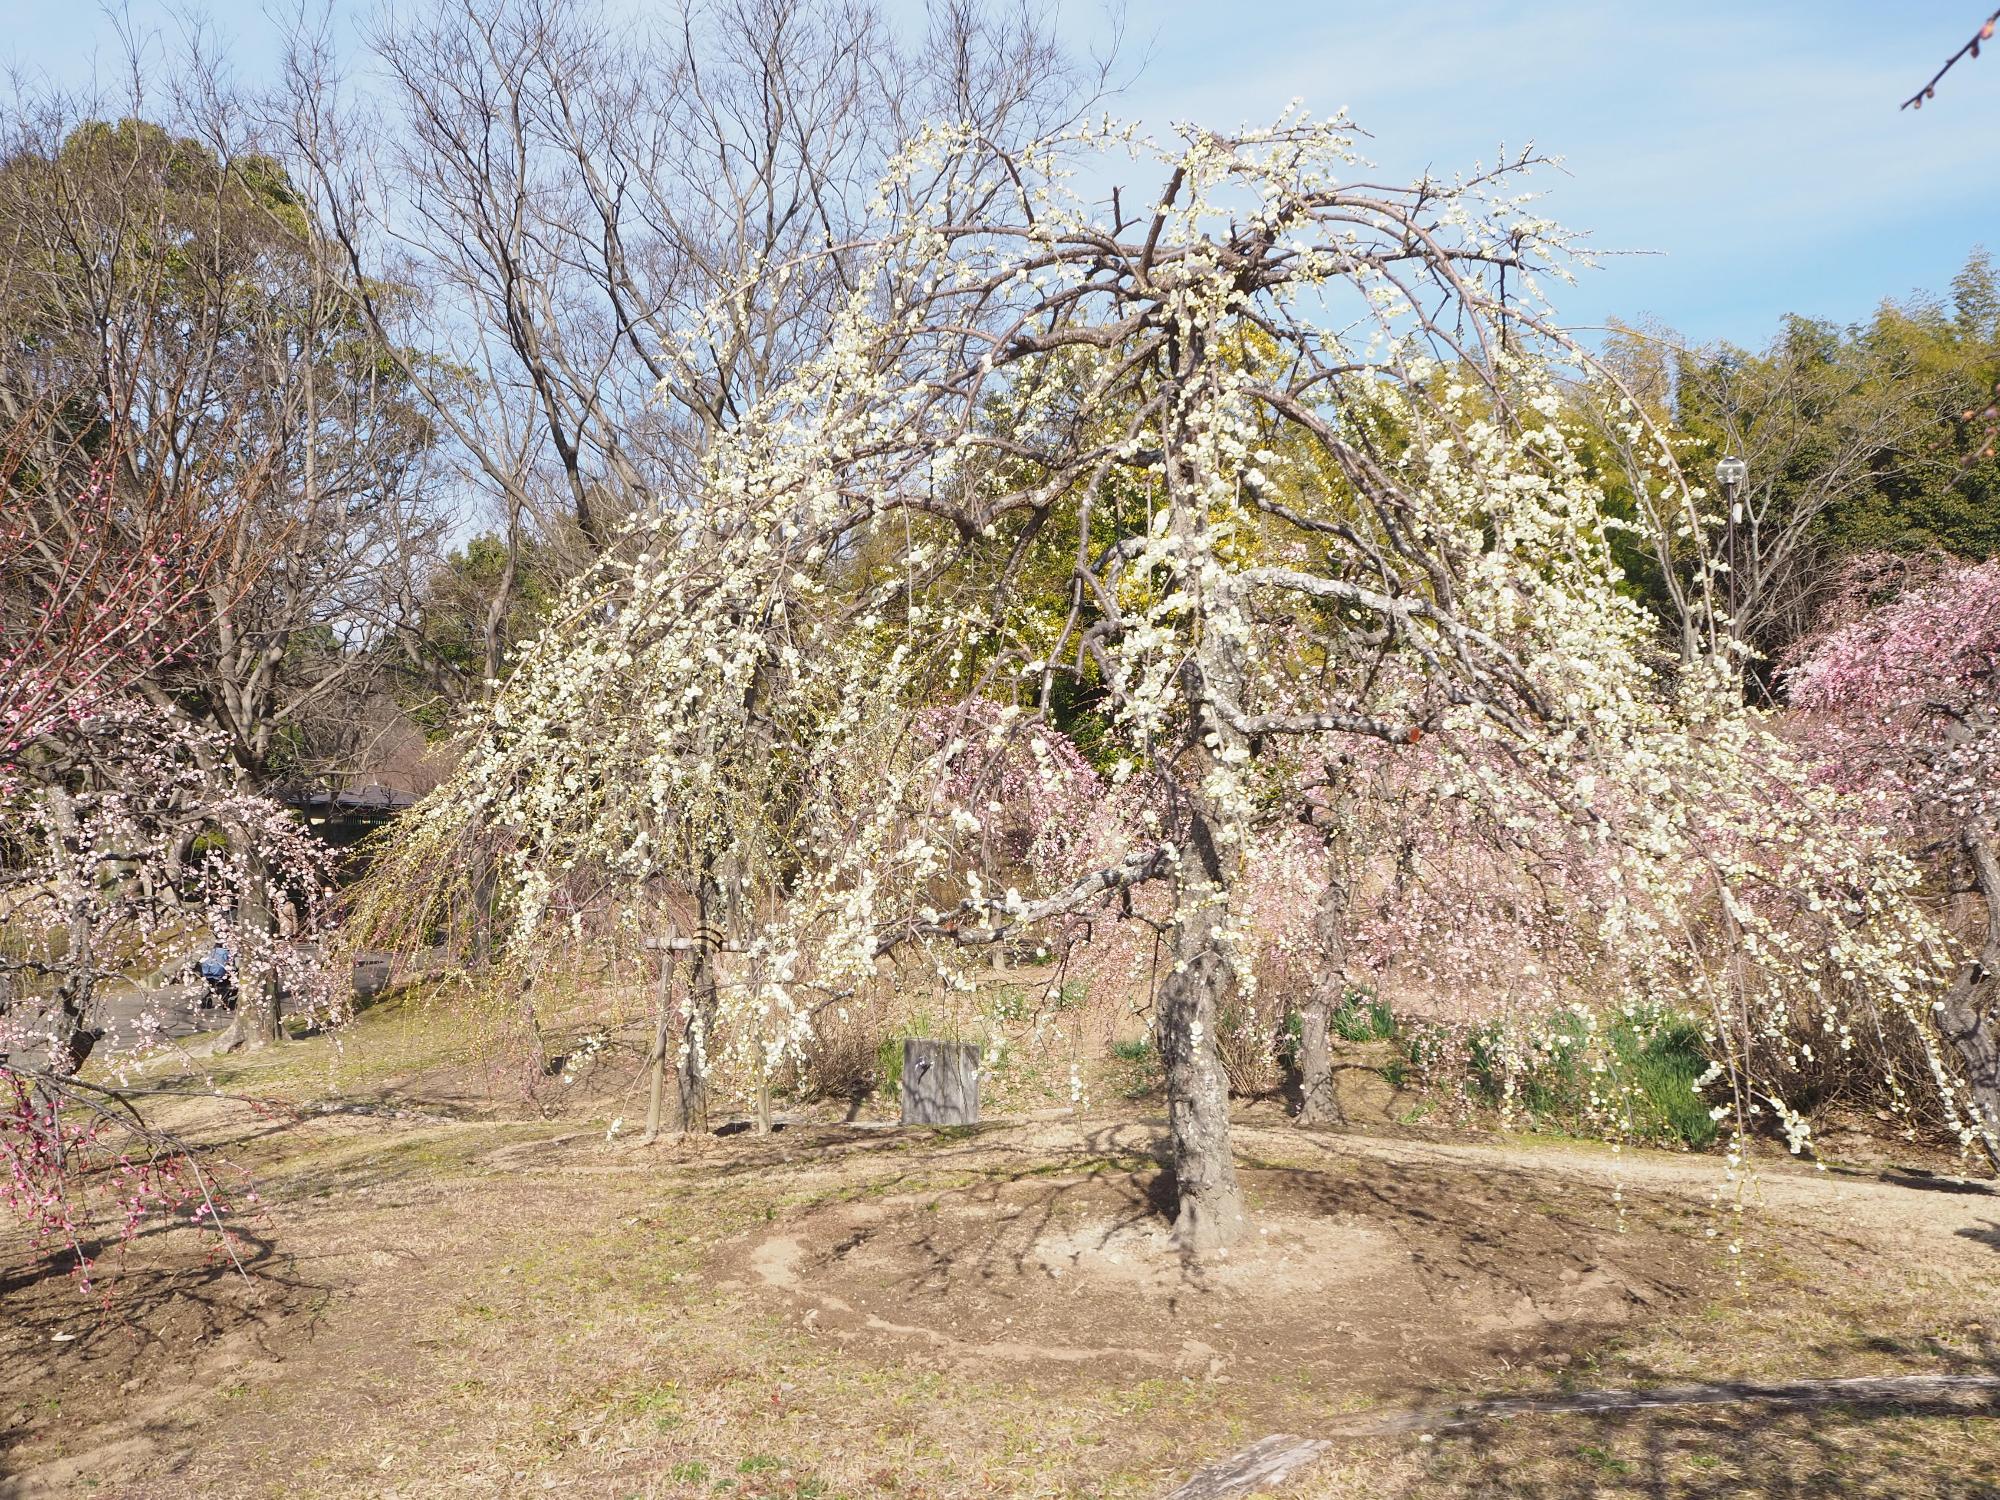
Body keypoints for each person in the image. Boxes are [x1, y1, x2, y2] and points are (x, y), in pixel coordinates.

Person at [198, 941, 235, 1011]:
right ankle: (225, 1000)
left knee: (210, 984)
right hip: (220, 973)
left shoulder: (211, 952)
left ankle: (205, 999)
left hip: (207, 973)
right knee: (225, 983)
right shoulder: (226, 952)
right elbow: (231, 964)